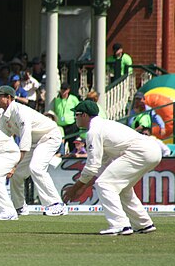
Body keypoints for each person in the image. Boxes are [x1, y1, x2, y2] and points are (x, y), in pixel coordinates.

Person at [62, 100, 161, 235]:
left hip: (140, 152)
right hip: (152, 150)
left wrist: (74, 189)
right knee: (122, 189)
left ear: (84, 115)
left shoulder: (94, 132)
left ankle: (120, 224)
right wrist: (83, 187)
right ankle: (143, 224)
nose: (75, 118)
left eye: (77, 115)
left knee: (105, 184)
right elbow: (100, 167)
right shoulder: (104, 125)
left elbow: (92, 167)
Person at [0, 85, 66, 217]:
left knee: (36, 167)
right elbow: (3, 141)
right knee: (16, 175)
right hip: (34, 143)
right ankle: (19, 206)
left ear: (8, 98)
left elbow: (24, 140)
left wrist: (13, 165)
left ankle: (56, 204)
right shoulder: (4, 117)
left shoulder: (21, 112)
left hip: (49, 136)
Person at [47, 82, 80, 153]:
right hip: (61, 126)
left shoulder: (73, 99)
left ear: (68, 90)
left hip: (71, 125)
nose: (63, 91)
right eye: (62, 89)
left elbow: (79, 109)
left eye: (65, 89)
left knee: (72, 146)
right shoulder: (57, 100)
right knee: (60, 146)